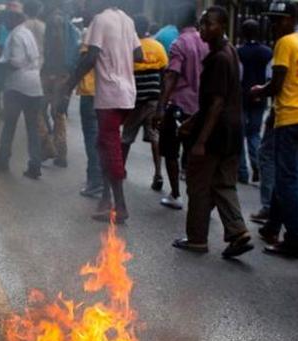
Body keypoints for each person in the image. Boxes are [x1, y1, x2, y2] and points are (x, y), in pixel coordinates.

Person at [171, 7, 252, 259]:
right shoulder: (228, 52)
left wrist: (200, 141)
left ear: (223, 26)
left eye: (209, 24)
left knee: (198, 185)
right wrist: (192, 122)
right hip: (231, 131)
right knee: (223, 183)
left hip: (216, 134)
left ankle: (196, 238)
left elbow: (216, 104)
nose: (204, 29)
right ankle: (238, 231)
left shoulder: (219, 58)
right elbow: (216, 102)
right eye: (202, 24)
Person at [250, 1, 298, 260]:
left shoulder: (285, 43)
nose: (274, 25)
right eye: (272, 20)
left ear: (292, 19)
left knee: (287, 180)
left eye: (279, 20)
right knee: (287, 175)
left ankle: (293, 240)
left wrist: (259, 90)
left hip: (290, 119)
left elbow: (277, 83)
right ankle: (272, 227)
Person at [67, 0, 141, 222]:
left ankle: (120, 206)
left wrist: (68, 85)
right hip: (127, 93)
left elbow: (90, 57)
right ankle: (105, 200)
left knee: (110, 149)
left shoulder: (100, 20)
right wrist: (119, 57)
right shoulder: (127, 20)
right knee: (104, 145)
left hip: (110, 94)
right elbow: (138, 55)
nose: (86, 5)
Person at [153, 8, 205, 211]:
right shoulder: (207, 41)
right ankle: (197, 199)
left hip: (179, 106)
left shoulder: (179, 43)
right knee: (194, 154)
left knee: (171, 152)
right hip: (200, 108)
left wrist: (161, 107)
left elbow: (172, 76)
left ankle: (175, 194)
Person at [0, 8, 44, 179]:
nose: (4, 22)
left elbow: (16, 62)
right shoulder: (27, 33)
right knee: (32, 128)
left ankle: (2, 160)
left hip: (17, 86)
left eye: (6, 18)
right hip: (35, 85)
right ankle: (35, 165)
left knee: (9, 125)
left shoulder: (15, 35)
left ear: (13, 19)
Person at [120, 14, 166, 187]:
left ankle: (120, 169)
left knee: (126, 137)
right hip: (153, 99)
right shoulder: (158, 47)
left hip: (135, 100)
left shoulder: (130, 47)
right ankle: (158, 174)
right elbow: (164, 73)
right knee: (154, 137)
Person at [38, 1, 76, 167]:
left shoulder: (54, 19)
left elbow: (57, 44)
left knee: (38, 109)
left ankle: (48, 146)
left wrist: (52, 69)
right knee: (58, 113)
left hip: (53, 72)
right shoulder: (66, 19)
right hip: (64, 73)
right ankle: (62, 154)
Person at [236, 19, 270, 185]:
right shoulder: (267, 52)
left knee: (240, 135)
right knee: (254, 133)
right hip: (260, 96)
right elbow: (270, 75)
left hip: (242, 96)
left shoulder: (239, 52)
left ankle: (242, 171)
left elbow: (238, 76)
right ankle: (257, 167)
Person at [75, 30, 103, 198]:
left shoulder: (93, 33)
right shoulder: (122, 30)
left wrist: (69, 84)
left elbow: (86, 61)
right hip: (109, 92)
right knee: (103, 138)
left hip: (91, 92)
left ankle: (95, 180)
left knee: (92, 138)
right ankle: (99, 177)